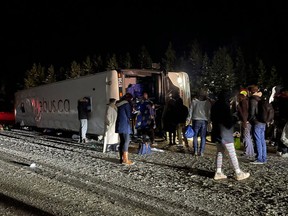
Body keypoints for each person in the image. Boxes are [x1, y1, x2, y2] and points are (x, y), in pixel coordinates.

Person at [211, 91, 250, 181]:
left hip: (217, 131)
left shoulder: (215, 105)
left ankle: (218, 172)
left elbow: (212, 118)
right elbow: (228, 122)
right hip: (225, 132)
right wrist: (235, 118)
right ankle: (238, 173)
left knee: (220, 151)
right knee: (232, 153)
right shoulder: (225, 106)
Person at [186, 90, 211, 156]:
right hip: (204, 121)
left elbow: (190, 111)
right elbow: (209, 113)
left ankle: (196, 151)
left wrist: (188, 120)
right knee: (203, 136)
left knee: (195, 136)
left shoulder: (194, 101)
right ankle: (201, 151)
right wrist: (209, 121)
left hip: (196, 120)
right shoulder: (207, 103)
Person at [248, 85, 267, 164]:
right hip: (263, 121)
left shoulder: (253, 100)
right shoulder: (261, 98)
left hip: (256, 122)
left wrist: (249, 120)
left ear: (251, 91)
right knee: (262, 140)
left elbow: (252, 113)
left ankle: (259, 158)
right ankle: (264, 158)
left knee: (257, 140)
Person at [115, 93, 134, 165]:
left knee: (122, 142)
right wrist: (134, 114)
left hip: (119, 125)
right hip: (125, 125)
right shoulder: (126, 104)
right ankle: (125, 160)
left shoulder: (119, 104)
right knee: (126, 142)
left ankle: (121, 159)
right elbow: (129, 115)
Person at [237, 89, 255, 158]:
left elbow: (244, 113)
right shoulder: (247, 101)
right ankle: (251, 152)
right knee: (248, 137)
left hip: (245, 122)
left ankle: (247, 152)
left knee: (245, 137)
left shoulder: (243, 103)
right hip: (247, 122)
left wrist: (244, 122)